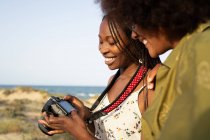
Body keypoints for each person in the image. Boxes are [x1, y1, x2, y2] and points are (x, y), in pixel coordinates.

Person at [97, 0, 210, 140]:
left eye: (135, 21)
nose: (134, 35)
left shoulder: (202, 51)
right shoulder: (174, 65)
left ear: (158, 12)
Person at [38, 14, 160, 139]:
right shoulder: (113, 80)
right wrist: (86, 116)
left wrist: (78, 132)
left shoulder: (150, 85)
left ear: (135, 40)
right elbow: (106, 133)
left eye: (112, 42)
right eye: (101, 41)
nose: (102, 49)